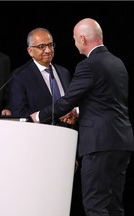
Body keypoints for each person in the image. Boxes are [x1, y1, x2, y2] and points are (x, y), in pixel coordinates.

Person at [31, 18, 134, 216]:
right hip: (122, 142)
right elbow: (107, 100)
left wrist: (38, 116)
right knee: (114, 206)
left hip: (99, 144)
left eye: (74, 39)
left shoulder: (88, 65)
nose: (75, 43)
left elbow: (67, 100)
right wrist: (78, 112)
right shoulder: (118, 62)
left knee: (95, 205)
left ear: (82, 38)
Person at [9, 27, 74, 127]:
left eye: (50, 45)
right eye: (41, 46)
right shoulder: (19, 76)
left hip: (68, 134)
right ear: (30, 51)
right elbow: (20, 115)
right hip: (40, 135)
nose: (48, 50)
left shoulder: (64, 72)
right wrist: (55, 114)